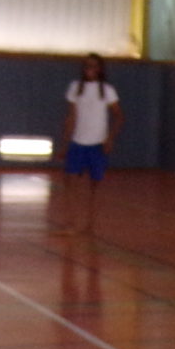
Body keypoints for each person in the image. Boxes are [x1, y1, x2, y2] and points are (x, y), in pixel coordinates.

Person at [54, 54, 122, 236]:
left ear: (100, 69)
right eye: (87, 65)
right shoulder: (75, 88)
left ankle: (90, 225)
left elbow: (119, 116)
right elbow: (71, 117)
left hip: (97, 143)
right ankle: (71, 223)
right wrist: (65, 144)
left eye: (94, 66)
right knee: (70, 182)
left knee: (94, 185)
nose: (90, 69)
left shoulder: (107, 90)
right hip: (78, 142)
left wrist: (110, 139)